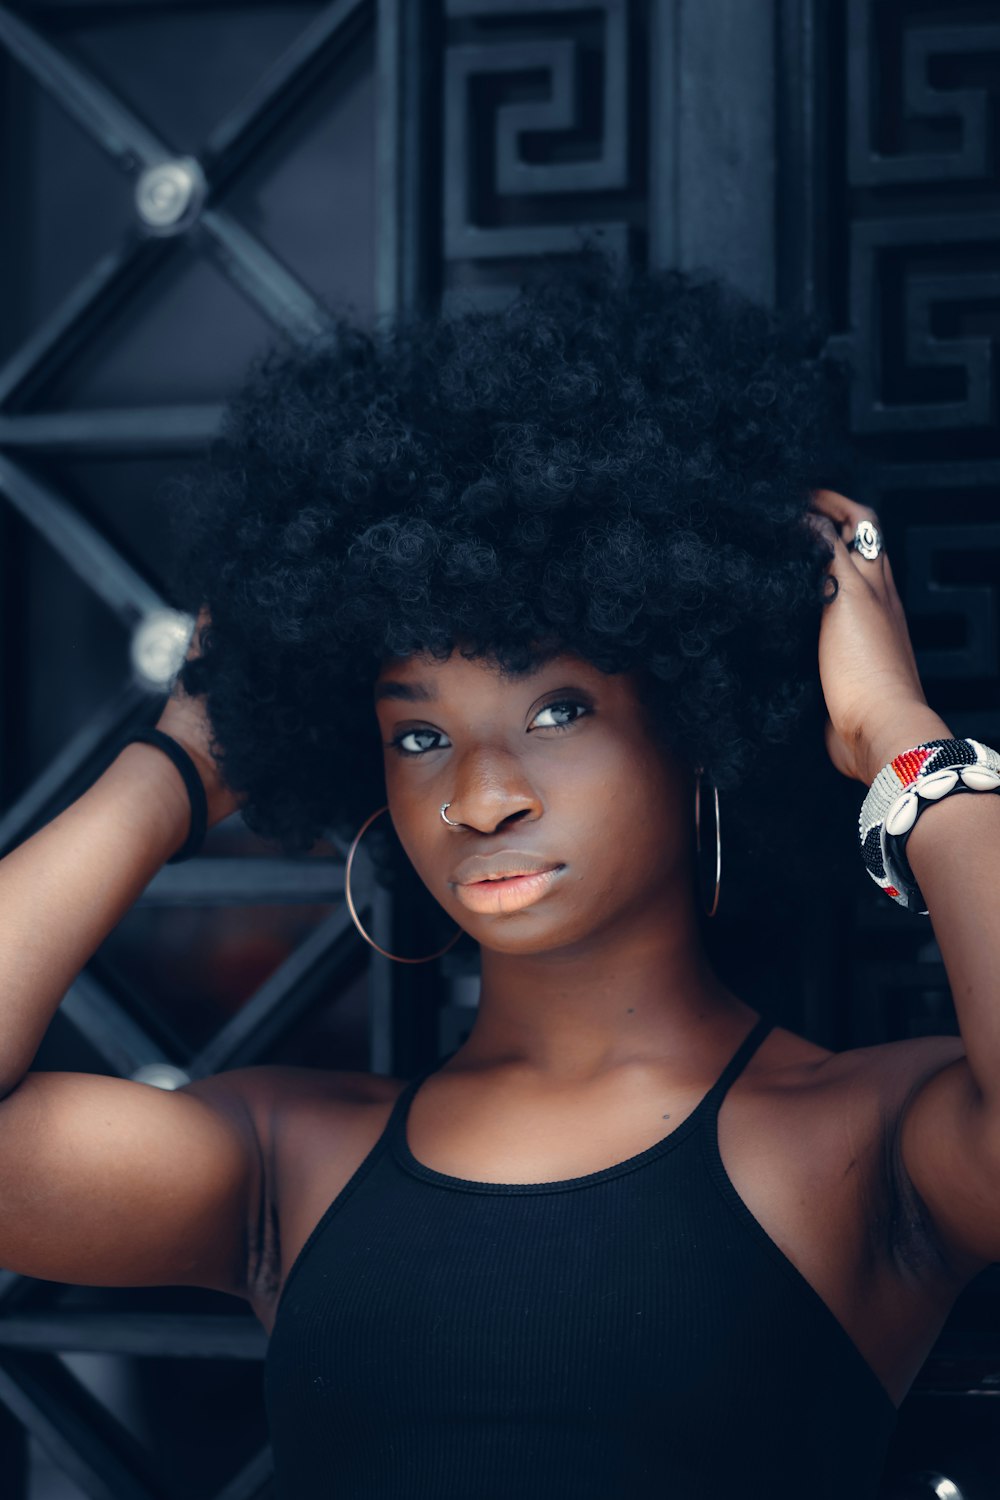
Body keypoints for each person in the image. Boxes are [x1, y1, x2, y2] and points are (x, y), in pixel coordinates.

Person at [1, 251, 998, 1500]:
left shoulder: (863, 1147)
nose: (480, 796)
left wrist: (895, 736)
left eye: (560, 709)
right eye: (419, 734)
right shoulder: (288, 1167)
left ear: (696, 715)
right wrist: (183, 758)